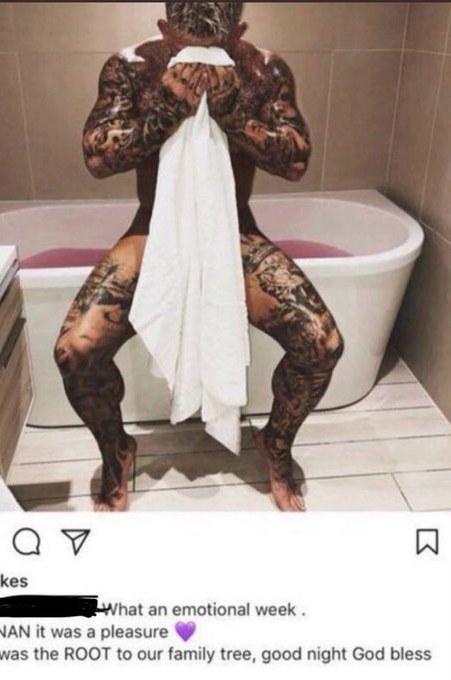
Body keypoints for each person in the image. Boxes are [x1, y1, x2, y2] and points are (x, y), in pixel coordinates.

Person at [53, 2, 345, 513]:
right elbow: (97, 158)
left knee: (322, 345)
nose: (202, 59)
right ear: (164, 30)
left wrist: (233, 114)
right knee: (75, 351)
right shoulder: (132, 67)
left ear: (239, 32)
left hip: (234, 230)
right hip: (153, 230)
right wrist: (166, 108)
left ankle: (275, 444)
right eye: (187, 45)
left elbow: (296, 161)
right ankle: (117, 449)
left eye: (218, 47)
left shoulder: (264, 70)